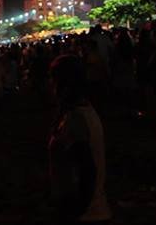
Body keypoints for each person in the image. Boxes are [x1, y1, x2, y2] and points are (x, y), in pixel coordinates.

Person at [48, 55, 111, 224]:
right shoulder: (85, 110)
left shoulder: (75, 119)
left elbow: (87, 170)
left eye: (52, 79)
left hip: (85, 213)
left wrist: (75, 210)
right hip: (94, 207)